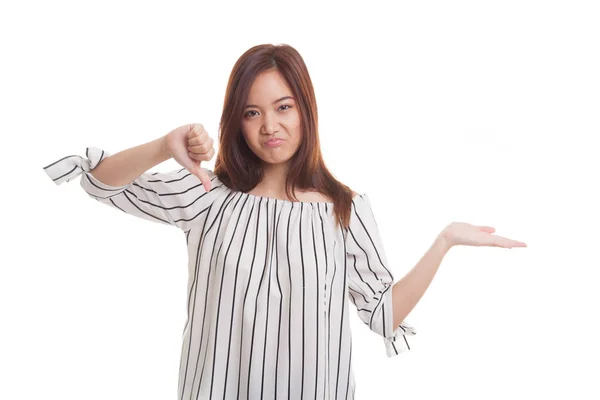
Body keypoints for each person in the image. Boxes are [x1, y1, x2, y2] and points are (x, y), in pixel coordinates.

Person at [42, 43, 527, 399]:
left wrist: (443, 242)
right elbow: (102, 183)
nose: (269, 126)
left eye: (283, 107)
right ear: (236, 119)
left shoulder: (345, 210)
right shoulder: (207, 195)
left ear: (305, 111)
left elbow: (383, 314)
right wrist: (161, 145)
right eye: (252, 112)